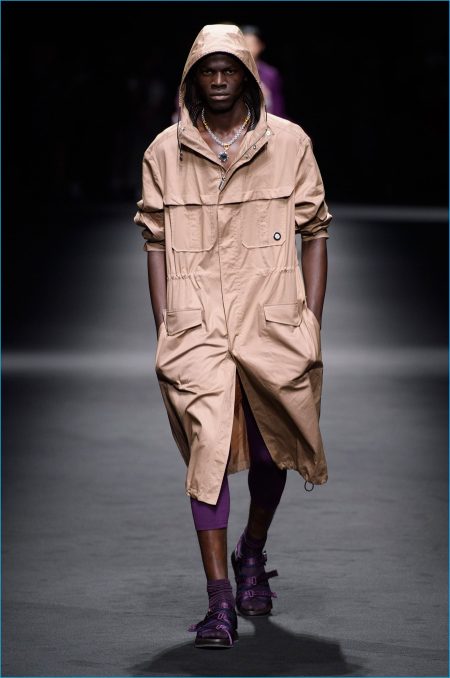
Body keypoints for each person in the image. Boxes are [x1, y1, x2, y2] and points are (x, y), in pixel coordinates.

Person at [133, 24, 332, 649]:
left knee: (273, 451)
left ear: (247, 76)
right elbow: (154, 242)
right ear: (192, 78)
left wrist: (310, 320)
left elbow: (315, 231)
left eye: (229, 70)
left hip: (271, 318)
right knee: (209, 452)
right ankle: (218, 601)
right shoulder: (164, 151)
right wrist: (166, 323)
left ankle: (253, 550)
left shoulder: (290, 143)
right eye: (207, 71)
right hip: (196, 321)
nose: (218, 81)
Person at [240, 24, 287, 118]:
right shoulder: (232, 72)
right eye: (244, 44)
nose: (247, 49)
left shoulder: (270, 74)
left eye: (251, 44)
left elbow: (277, 106)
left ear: (260, 46)